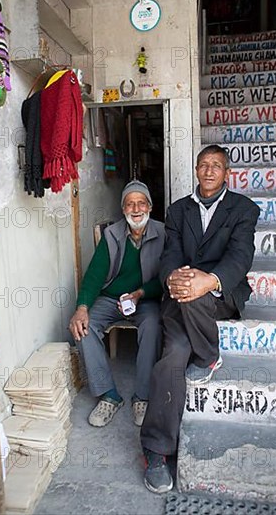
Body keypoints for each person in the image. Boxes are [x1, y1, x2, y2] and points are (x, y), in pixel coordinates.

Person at [140, 145, 260, 493]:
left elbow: (241, 256)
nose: (209, 171)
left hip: (220, 295)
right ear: (196, 169)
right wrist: (173, 278)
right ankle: (157, 450)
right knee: (173, 355)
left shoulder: (243, 209)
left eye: (216, 166)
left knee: (197, 293)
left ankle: (207, 354)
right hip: (180, 297)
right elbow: (170, 254)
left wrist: (209, 280)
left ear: (227, 174)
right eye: (204, 165)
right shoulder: (178, 210)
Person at [69, 180, 164, 428]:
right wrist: (81, 308)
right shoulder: (111, 235)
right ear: (123, 210)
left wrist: (140, 293)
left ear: (150, 207)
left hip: (145, 299)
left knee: (153, 324)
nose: (136, 209)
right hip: (111, 299)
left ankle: (142, 396)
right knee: (83, 328)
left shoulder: (163, 234)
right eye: (130, 204)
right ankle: (108, 395)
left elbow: (166, 278)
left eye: (141, 203)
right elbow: (94, 276)